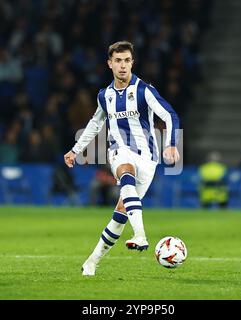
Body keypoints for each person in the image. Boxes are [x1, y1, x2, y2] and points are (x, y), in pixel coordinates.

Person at [64, 41, 180, 276]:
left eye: (127, 60)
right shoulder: (104, 96)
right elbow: (95, 123)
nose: (123, 66)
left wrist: (171, 145)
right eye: (118, 61)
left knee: (119, 216)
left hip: (148, 158)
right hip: (119, 151)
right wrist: (76, 150)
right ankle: (140, 235)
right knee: (126, 174)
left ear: (132, 63)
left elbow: (170, 115)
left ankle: (92, 261)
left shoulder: (143, 90)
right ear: (110, 64)